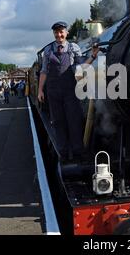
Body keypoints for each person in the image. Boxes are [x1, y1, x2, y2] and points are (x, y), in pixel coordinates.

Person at [38, 21, 99, 160]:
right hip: (53, 91)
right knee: (58, 121)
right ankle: (63, 152)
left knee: (74, 120)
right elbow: (44, 72)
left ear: (66, 33)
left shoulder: (73, 48)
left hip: (70, 90)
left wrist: (93, 56)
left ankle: (77, 150)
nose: (59, 35)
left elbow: (81, 67)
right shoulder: (48, 51)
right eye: (56, 32)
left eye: (61, 32)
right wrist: (40, 90)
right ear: (54, 33)